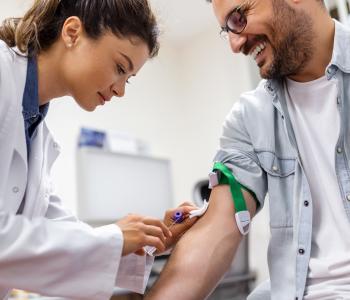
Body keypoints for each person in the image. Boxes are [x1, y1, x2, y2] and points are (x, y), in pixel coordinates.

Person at [145, 0, 350, 299]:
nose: (234, 44)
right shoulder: (249, 118)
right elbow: (215, 228)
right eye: (226, 30)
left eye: (238, 18)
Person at [0, 0, 198, 299]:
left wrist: (152, 240)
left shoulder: (35, 130)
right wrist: (115, 236)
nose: (120, 90)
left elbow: (57, 240)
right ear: (72, 32)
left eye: (128, 78)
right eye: (120, 68)